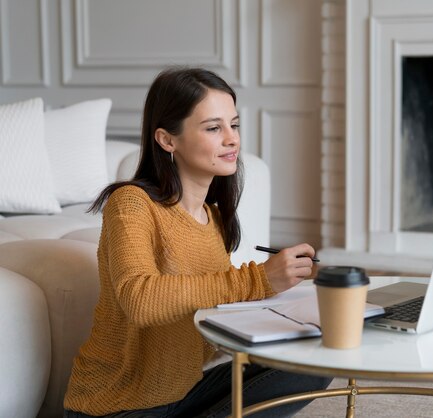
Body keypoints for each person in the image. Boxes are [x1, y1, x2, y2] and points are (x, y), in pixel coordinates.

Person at [63, 67, 332, 417]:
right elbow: (140, 299)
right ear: (167, 140)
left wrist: (284, 299)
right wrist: (258, 279)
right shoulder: (131, 203)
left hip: (183, 393)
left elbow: (208, 306)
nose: (232, 139)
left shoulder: (214, 218)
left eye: (234, 125)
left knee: (316, 357)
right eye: (213, 128)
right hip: (120, 405)